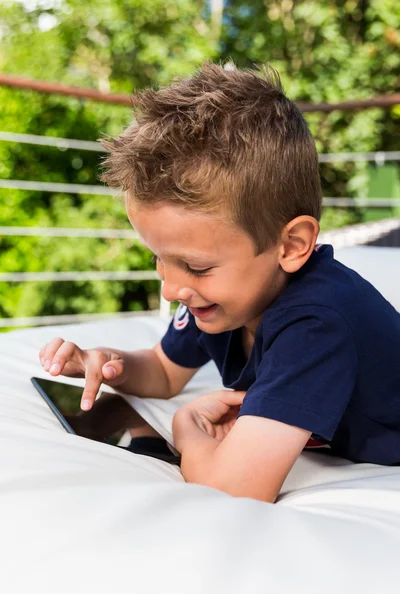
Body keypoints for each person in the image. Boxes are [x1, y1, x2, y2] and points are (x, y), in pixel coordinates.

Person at [39, 61, 400, 503]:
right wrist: (109, 364)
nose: (172, 289)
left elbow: (234, 487)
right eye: (159, 258)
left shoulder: (316, 322)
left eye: (196, 267)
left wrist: (186, 433)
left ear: (291, 246)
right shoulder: (224, 300)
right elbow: (164, 372)